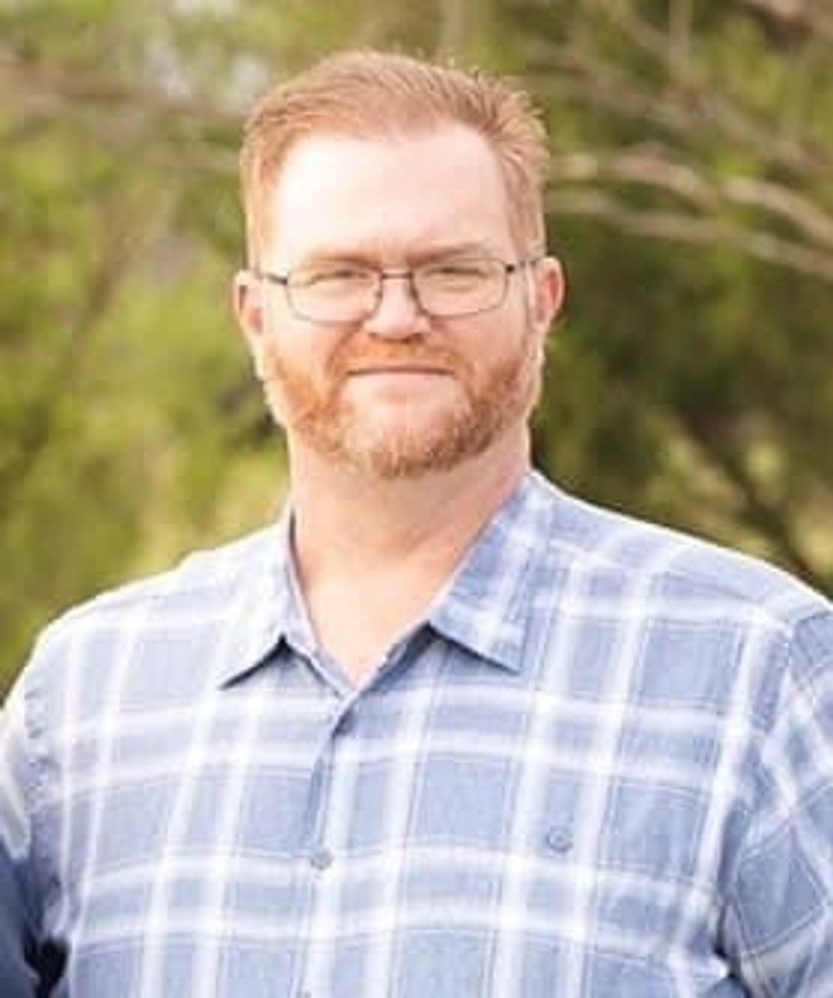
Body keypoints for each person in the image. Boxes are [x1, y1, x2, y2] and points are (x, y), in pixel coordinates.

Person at [1, 49, 832, 997]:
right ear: (255, 318)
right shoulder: (83, 701)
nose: (395, 316)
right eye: (336, 274)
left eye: (452, 269)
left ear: (540, 301)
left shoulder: (759, 674)